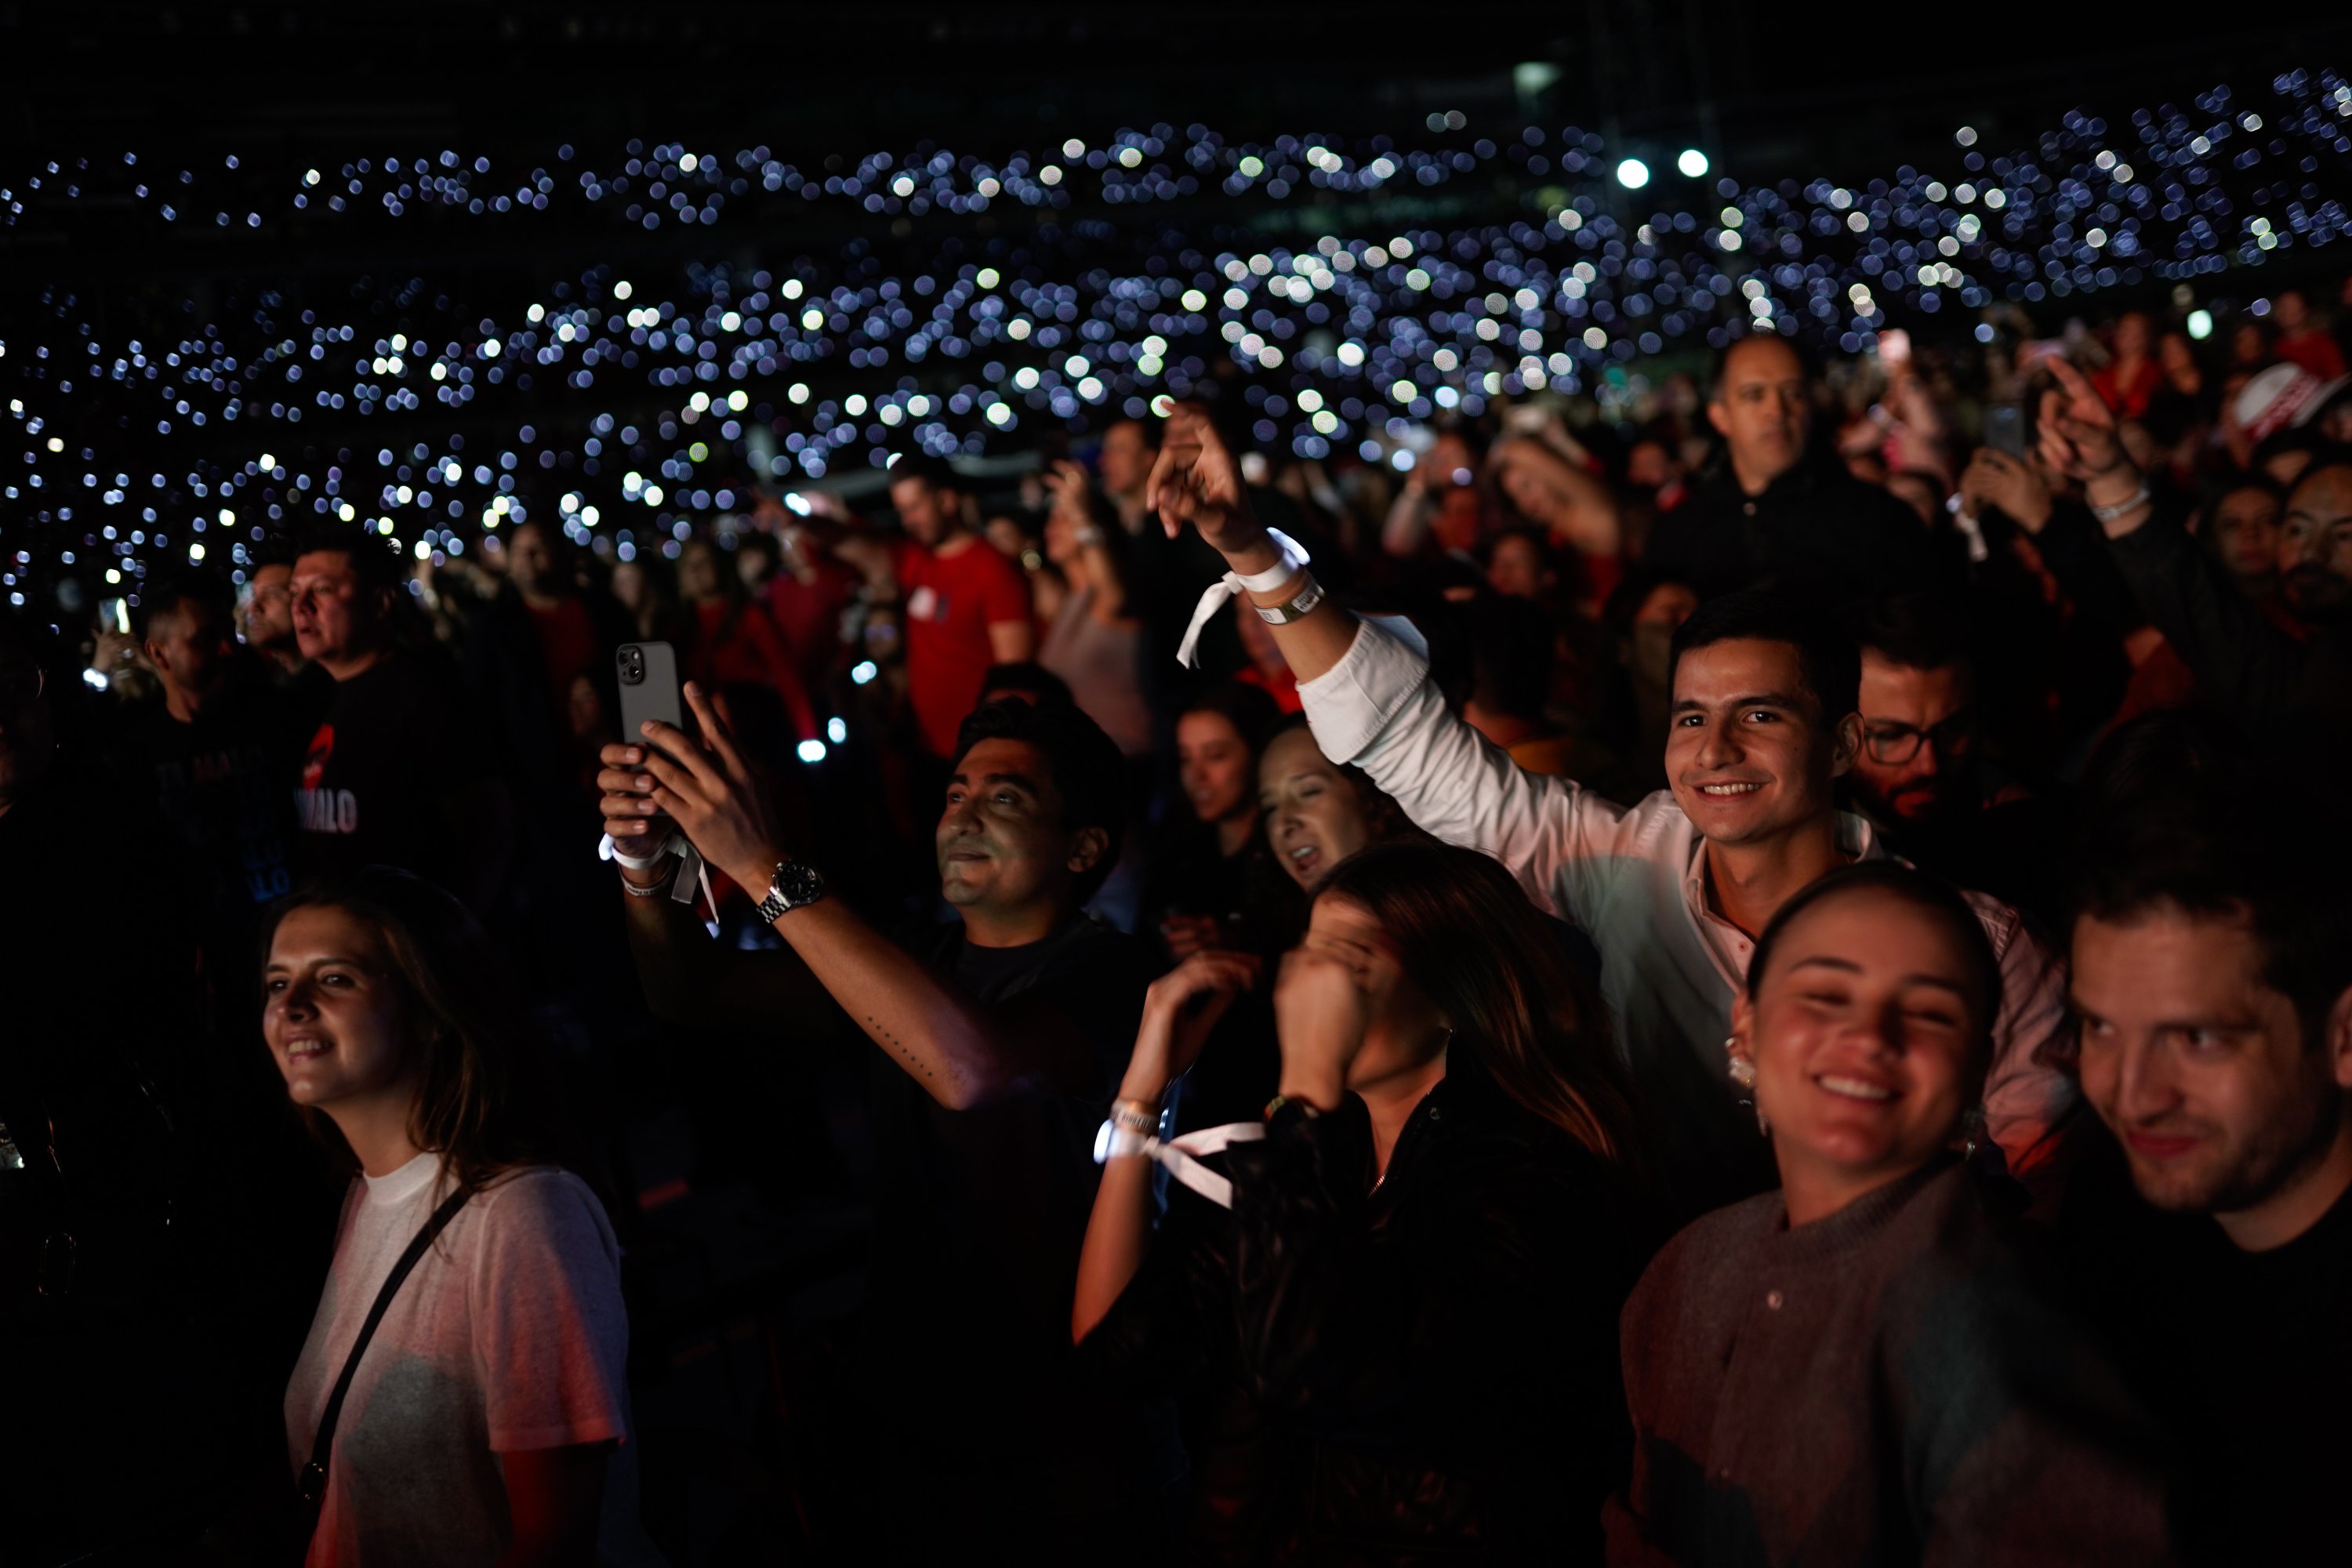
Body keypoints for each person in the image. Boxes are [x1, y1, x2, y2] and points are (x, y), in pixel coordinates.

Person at [1145, 407, 2073, 1217]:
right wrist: (1252, 551)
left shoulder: (1983, 945)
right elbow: (1409, 740)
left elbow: (2041, 1184)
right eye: (1692, 718)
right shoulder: (1627, 863)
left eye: (1760, 716)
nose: (1715, 750)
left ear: (1841, 744)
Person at [596, 688, 1162, 1550]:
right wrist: (650, 863)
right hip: (909, 1412)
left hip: (1060, 1434)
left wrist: (762, 864)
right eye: (956, 793)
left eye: (1005, 798)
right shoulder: (915, 955)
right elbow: (691, 988)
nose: (963, 815)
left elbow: (973, 1070)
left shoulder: (1117, 977)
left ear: (1082, 847)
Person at [1075, 840, 1650, 1563]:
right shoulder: (1316, 1154)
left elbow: (1321, 1384)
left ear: (1452, 993)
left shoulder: (1532, 1170)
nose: (1310, 991)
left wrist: (1308, 1089)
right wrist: (1144, 1094)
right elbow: (1119, 1350)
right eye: (1307, 957)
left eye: (1346, 961)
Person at [1608, 862, 2171, 1566]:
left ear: (1978, 1067)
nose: (1871, 1036)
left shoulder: (1994, 1320)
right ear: (1746, 1024)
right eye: (1824, 996)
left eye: (1930, 1013)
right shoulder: (1683, 1273)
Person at [267, 869, 651, 1568]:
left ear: (430, 1010)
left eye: (335, 979)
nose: (291, 1007)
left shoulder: (523, 1216)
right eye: (276, 983)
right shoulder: (365, 1199)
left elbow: (553, 1547)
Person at [2064, 767, 2352, 1565]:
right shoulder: (2108, 1212)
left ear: (2345, 1038)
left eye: (2197, 1038)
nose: (2131, 1096)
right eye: (2100, 1028)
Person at [2039, 354, 2352, 745]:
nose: (2313, 553)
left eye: (2345, 535)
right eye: (2297, 529)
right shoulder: (2268, 659)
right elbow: (2189, 595)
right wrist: (2110, 475)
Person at [289, 524, 507, 909]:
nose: (300, 606)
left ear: (380, 602)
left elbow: (487, 829)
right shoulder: (315, 697)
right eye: (294, 592)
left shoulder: (424, 697)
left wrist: (447, 930)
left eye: (322, 589)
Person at [1645, 334, 1948, 603]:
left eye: (1793, 393)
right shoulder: (1679, 535)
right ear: (1720, 416)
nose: (1776, 411)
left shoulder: (1878, 521)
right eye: (1754, 395)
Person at [118, 574, 304, 932]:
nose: (226, 649)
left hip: (294, 925)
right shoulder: (136, 757)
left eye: (228, 634)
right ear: (159, 653)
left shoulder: (277, 720)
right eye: (205, 639)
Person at [839, 454, 1035, 760]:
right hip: (925, 743)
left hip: (973, 750)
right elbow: (856, 548)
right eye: (901, 511)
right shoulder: (917, 560)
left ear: (946, 500)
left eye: (915, 508)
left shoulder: (993, 570)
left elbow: (1015, 675)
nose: (907, 521)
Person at [1146, 680, 1290, 961]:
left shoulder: (1286, 849)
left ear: (1259, 754)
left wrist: (1236, 939)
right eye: (1185, 758)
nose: (1196, 775)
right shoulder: (1178, 852)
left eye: (1215, 756)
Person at [1036, 459, 1152, 760]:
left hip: (1126, 759)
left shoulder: (1110, 598)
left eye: (1065, 518)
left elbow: (1111, 593)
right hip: (1081, 760)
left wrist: (1082, 514)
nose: (1052, 527)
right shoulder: (1070, 602)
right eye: (1051, 519)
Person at [675, 535, 817, 750]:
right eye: (688, 564)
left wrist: (808, 734)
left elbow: (785, 675)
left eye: (704, 562)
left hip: (753, 728)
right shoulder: (677, 628)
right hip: (699, 735)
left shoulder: (748, 616)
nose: (695, 570)